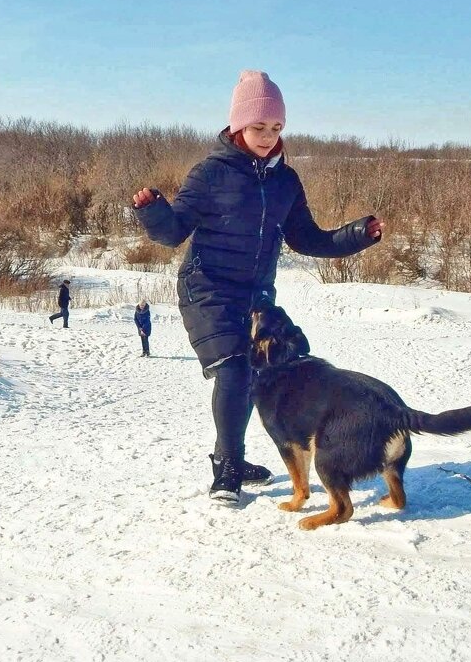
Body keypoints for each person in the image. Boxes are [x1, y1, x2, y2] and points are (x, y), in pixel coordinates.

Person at [132, 70, 384, 504]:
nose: (268, 137)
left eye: (276, 128)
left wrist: (358, 235)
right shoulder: (210, 174)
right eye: (259, 127)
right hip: (207, 288)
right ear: (237, 126)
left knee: (257, 375)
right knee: (233, 368)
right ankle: (227, 468)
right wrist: (154, 211)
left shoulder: (285, 180)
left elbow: (308, 239)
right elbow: (173, 233)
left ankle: (232, 454)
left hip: (256, 295)